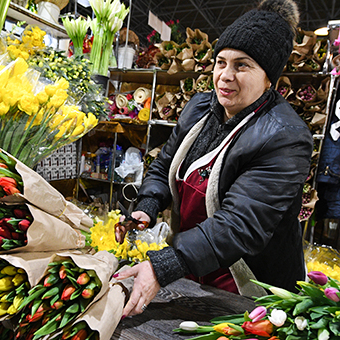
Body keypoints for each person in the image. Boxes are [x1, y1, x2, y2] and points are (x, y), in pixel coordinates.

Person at [114, 0, 312, 318]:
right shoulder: (199, 109)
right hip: (193, 264)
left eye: (242, 65)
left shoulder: (285, 136)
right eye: (221, 62)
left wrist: (164, 266)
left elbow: (239, 224)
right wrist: (147, 206)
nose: (225, 76)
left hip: (250, 287)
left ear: (268, 79)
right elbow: (165, 163)